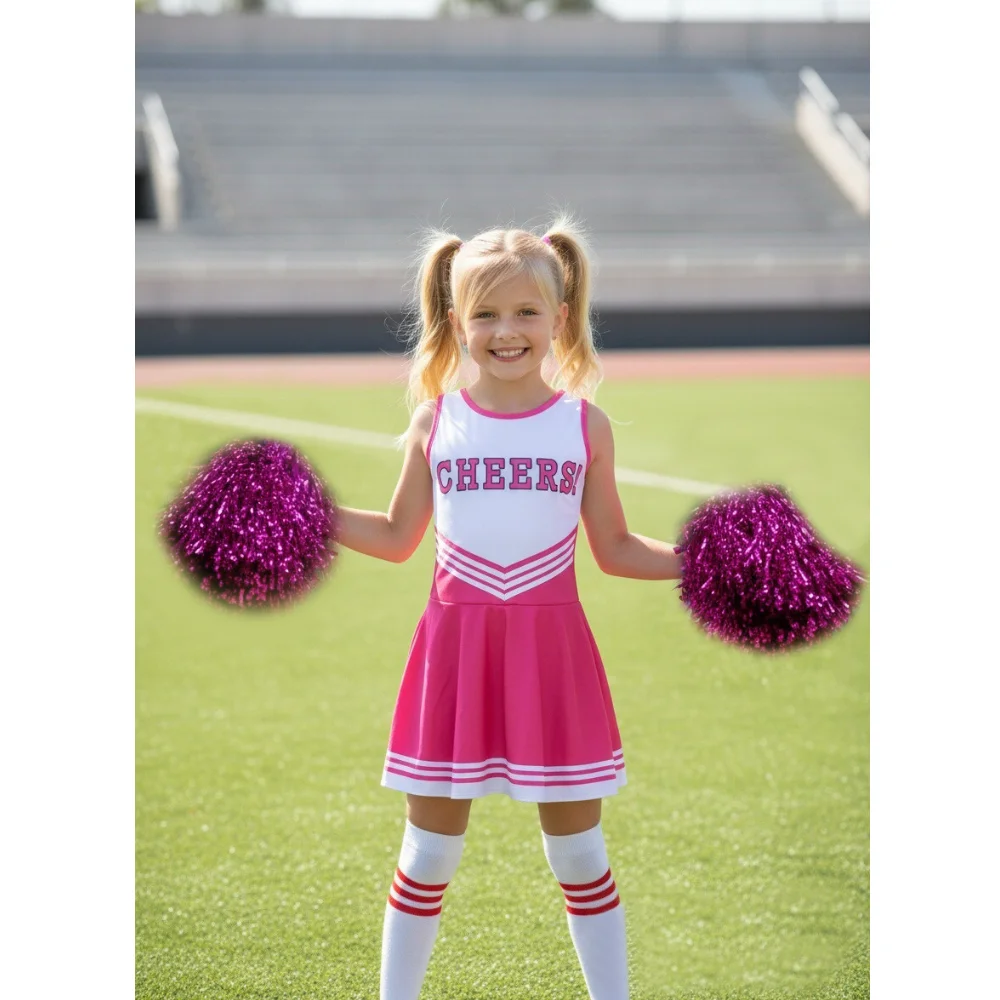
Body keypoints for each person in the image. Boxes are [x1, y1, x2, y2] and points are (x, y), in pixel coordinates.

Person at [336, 217, 684, 1000]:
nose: (506, 331)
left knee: (579, 855)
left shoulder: (583, 425)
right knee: (427, 853)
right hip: (454, 660)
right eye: (486, 314)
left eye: (526, 312)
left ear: (560, 318)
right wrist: (304, 510)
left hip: (552, 660)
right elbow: (398, 538)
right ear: (456, 321)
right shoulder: (435, 420)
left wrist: (711, 561)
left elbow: (617, 548)